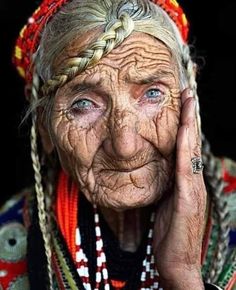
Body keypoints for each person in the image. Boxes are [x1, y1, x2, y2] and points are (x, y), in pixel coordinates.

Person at [0, 0, 235, 289]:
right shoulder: (6, 240)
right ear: (44, 125)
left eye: (152, 94)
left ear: (191, 97)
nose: (125, 147)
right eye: (83, 104)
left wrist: (183, 274)